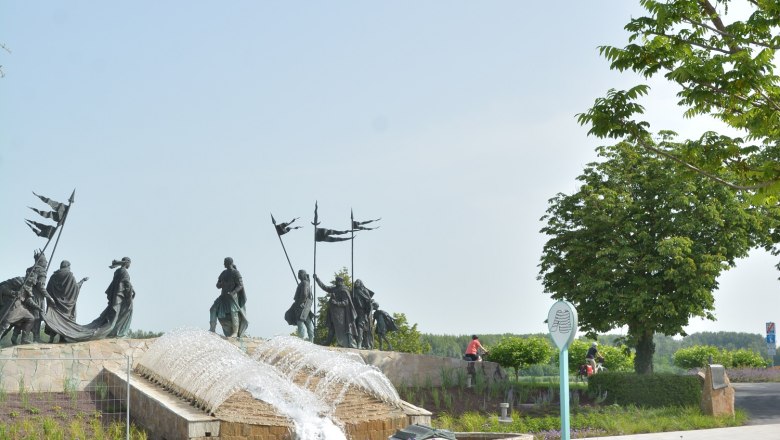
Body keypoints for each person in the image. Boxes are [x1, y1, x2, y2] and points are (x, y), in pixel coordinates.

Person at [44, 260, 88, 343]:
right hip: (66, 306)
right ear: (67, 266)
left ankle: (51, 339)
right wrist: (82, 281)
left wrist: (51, 299)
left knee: (55, 320)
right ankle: (63, 338)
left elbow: (47, 290)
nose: (70, 268)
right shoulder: (69, 275)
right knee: (65, 322)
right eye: (69, 266)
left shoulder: (53, 276)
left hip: (55, 304)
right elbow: (75, 288)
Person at [314, 274, 357, 348]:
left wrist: (336, 303)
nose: (336, 282)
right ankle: (327, 342)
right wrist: (317, 279)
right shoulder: (335, 289)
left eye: (337, 281)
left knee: (341, 329)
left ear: (341, 281)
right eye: (336, 281)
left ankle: (345, 344)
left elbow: (346, 302)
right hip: (333, 312)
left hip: (341, 314)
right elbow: (325, 287)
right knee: (332, 327)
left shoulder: (344, 290)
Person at [210, 257, 248, 337]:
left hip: (232, 297)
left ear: (229, 263)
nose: (223, 264)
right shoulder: (223, 273)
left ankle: (235, 332)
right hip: (223, 297)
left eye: (225, 262)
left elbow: (240, 285)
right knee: (213, 309)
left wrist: (233, 292)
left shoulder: (236, 273)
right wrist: (221, 284)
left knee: (234, 312)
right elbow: (217, 285)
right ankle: (212, 330)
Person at [105, 257, 135, 338]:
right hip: (122, 297)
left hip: (117, 296)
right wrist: (131, 294)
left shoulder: (117, 271)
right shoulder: (124, 271)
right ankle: (119, 332)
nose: (130, 265)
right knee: (127, 311)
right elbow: (126, 284)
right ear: (126, 263)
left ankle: (116, 331)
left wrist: (132, 289)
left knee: (118, 313)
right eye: (129, 263)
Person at [352, 279, 375, 349]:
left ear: (361, 283)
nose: (356, 283)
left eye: (357, 282)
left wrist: (369, 303)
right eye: (355, 282)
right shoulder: (353, 291)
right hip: (354, 311)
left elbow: (368, 300)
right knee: (354, 326)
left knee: (360, 326)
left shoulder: (364, 290)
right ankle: (355, 342)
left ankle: (360, 343)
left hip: (362, 311)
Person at [292, 269, 314, 342]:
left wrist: (301, 302)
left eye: (300, 274)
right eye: (298, 274)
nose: (298, 275)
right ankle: (311, 340)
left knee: (300, 322)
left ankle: (301, 340)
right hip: (307, 305)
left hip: (301, 305)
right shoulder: (306, 282)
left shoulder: (304, 283)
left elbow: (304, 294)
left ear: (303, 275)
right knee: (308, 323)